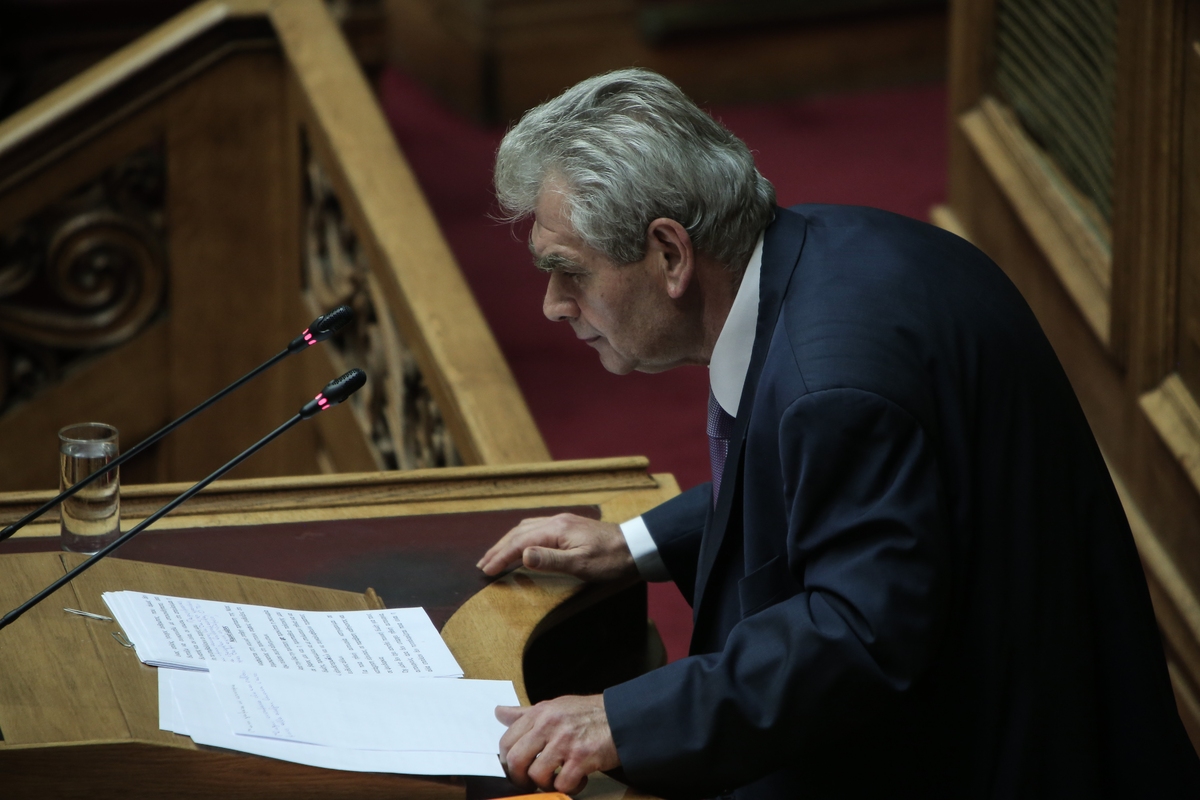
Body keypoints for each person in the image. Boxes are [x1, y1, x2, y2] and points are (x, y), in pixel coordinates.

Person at [475, 68, 1200, 798]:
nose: (553, 305)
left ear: (670, 254)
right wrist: (635, 544)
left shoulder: (832, 385)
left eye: (569, 272)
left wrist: (621, 720)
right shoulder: (813, 251)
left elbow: (859, 634)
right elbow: (822, 485)